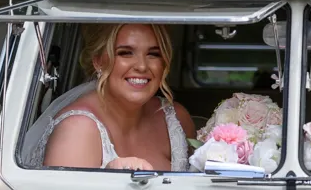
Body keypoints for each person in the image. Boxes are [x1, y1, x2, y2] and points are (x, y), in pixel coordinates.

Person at [27, 23, 196, 171]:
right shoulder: (77, 129)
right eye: (125, 53)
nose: (142, 66)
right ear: (98, 61)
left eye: (153, 54)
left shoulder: (175, 118)